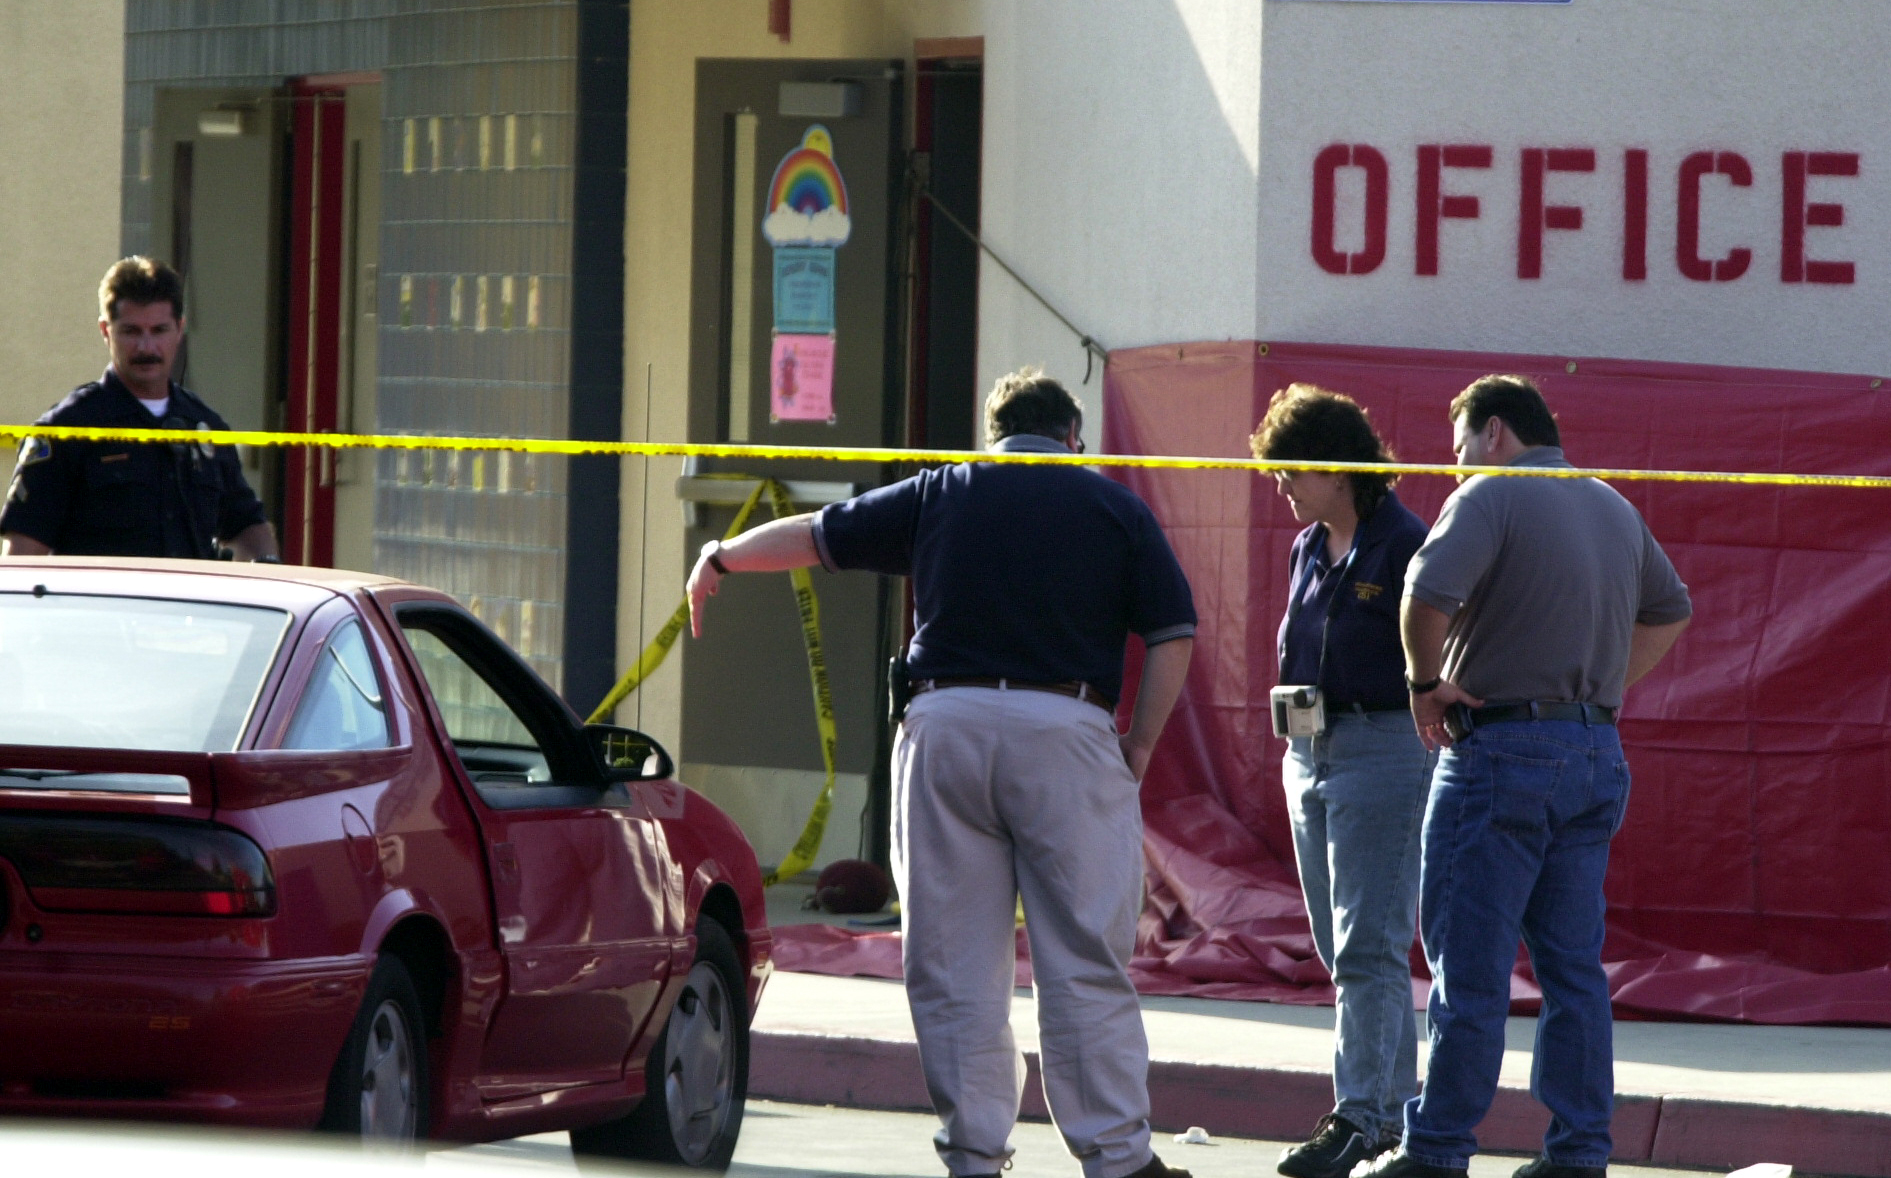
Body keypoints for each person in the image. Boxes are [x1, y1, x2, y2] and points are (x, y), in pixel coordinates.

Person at [687, 368, 1196, 1178]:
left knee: (953, 962)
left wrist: (719, 557)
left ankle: (972, 1156)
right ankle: (1116, 1158)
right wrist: (1134, 746)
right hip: (1067, 732)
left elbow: (817, 535)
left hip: (945, 724)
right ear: (1072, 437)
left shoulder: (942, 491)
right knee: (1083, 959)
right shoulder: (1112, 506)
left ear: (991, 434)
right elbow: (1173, 631)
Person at [1366, 376, 1692, 1178]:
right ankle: (1578, 1153)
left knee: (1467, 970)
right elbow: (1671, 609)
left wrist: (1421, 685)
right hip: (1591, 753)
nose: (1455, 471)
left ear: (1494, 432)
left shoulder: (1491, 493)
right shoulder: (1610, 505)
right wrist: (1596, 685)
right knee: (1573, 971)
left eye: (1458, 451)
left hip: (1500, 753)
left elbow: (1420, 592)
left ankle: (1436, 1150)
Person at [1250, 385, 1434, 1178]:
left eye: (1289, 471)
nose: (1280, 486)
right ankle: (1389, 1112)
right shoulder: (1305, 548)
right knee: (1340, 945)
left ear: (1335, 465)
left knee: (1369, 943)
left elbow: (1440, 647)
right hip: (1310, 750)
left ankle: (1360, 1114)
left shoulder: (1403, 543)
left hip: (1382, 744)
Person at [1, 256, 279, 561]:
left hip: (191, 606)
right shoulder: (67, 431)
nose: (146, 347)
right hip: (103, 607)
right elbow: (23, 558)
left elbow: (248, 526)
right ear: (106, 332)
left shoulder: (203, 427)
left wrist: (264, 570)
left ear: (180, 330)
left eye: (159, 330)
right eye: (131, 332)